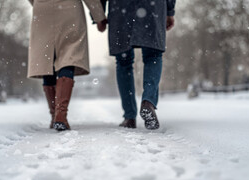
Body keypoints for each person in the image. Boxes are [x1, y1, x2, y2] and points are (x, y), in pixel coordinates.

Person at [27, 0, 107, 131]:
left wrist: (39, 4)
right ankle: (61, 115)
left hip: (42, 12)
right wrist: (99, 17)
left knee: (47, 59)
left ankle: (54, 116)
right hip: (70, 9)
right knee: (69, 56)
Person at [98, 0, 176, 130]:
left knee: (124, 61)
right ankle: (148, 101)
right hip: (153, 6)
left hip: (120, 7)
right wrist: (170, 10)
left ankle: (129, 117)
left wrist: (98, 14)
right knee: (153, 55)